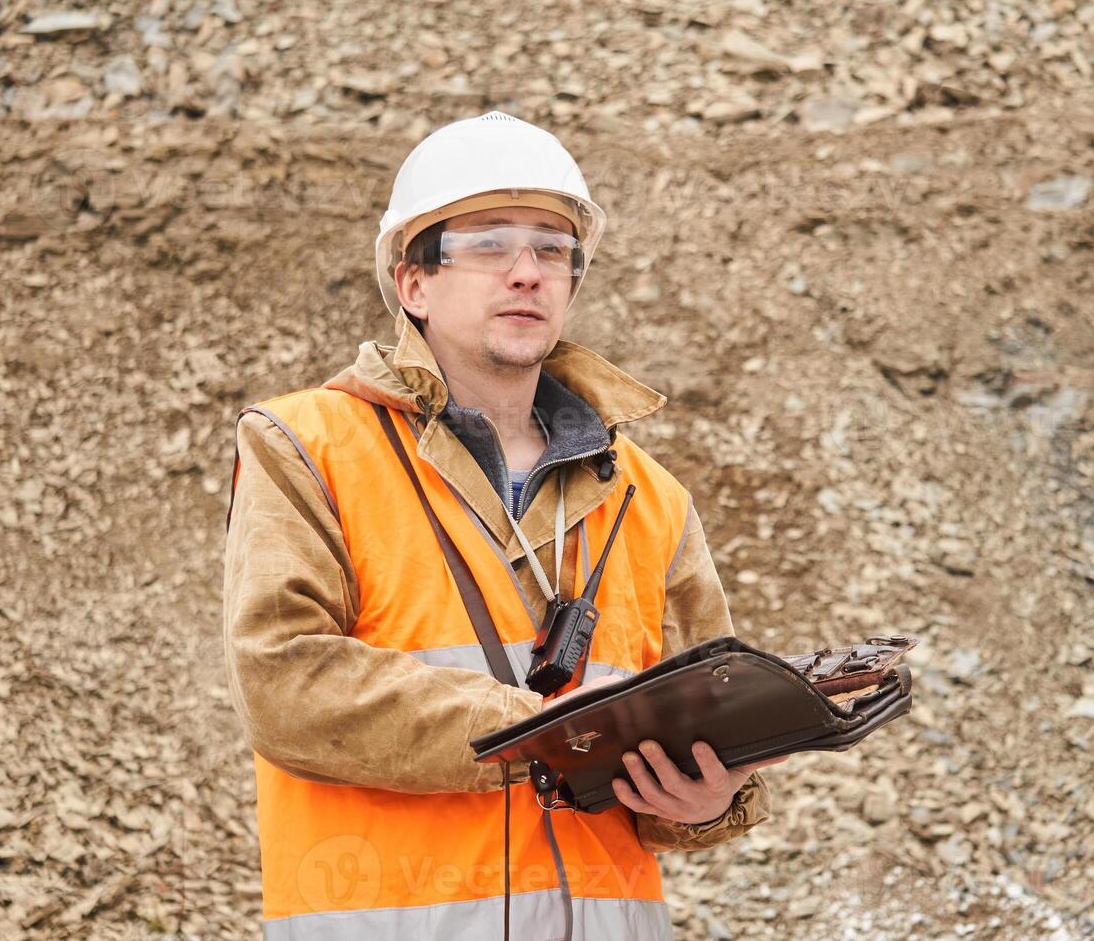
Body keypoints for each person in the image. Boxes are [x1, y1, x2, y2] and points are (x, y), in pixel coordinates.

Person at [221, 111, 781, 940]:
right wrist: (543, 730)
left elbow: (704, 733)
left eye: (552, 250)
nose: (527, 273)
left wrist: (712, 798)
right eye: (488, 244)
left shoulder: (649, 496)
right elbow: (286, 687)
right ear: (413, 284)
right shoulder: (306, 445)